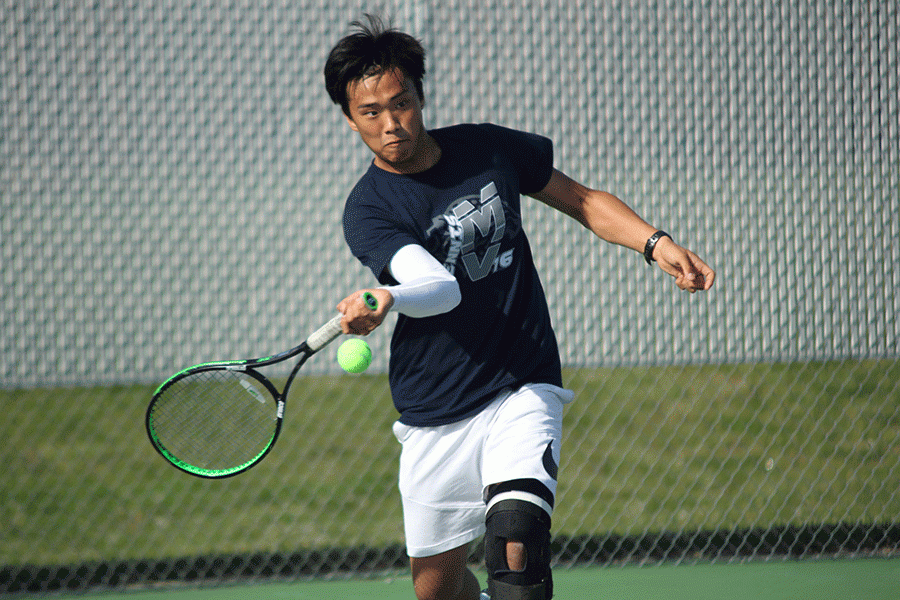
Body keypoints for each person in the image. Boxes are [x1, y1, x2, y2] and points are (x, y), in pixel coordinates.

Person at [324, 15, 715, 600]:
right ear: (351, 120)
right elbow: (436, 286)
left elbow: (581, 199)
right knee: (438, 590)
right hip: (436, 404)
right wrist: (390, 296)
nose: (391, 123)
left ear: (420, 97)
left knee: (516, 541)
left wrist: (654, 243)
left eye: (400, 103)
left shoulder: (486, 147)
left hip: (521, 381)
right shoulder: (370, 208)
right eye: (370, 113)